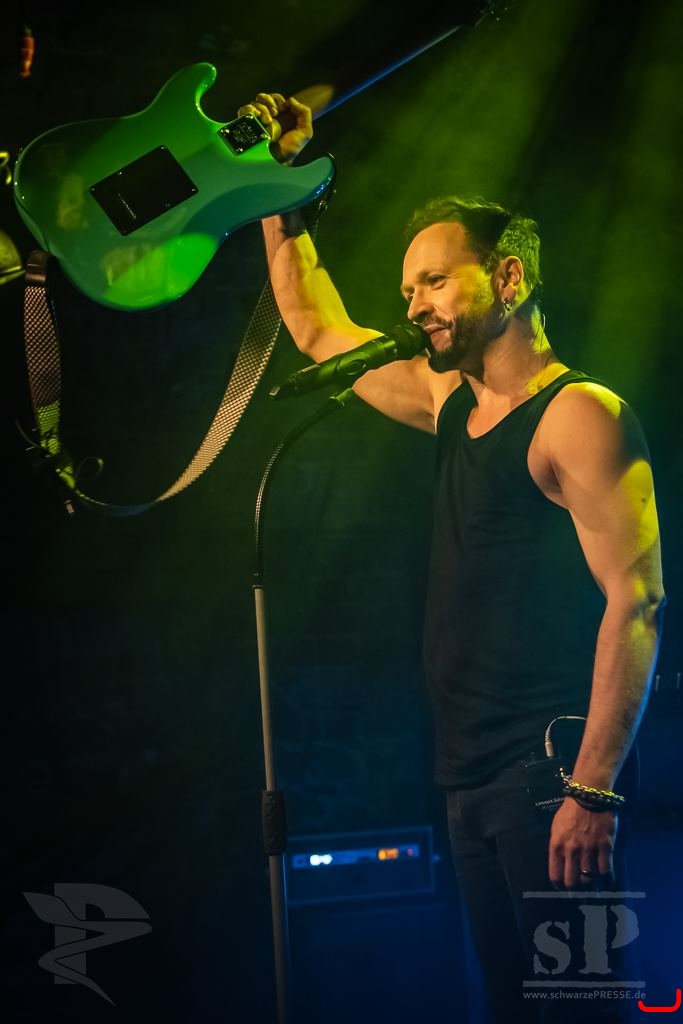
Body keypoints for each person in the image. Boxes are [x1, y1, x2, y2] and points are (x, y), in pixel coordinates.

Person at [238, 92, 666, 1021]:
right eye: (407, 291)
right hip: (468, 779)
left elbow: (636, 602)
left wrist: (592, 790)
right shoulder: (448, 404)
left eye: (432, 282)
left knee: (577, 1007)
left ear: (507, 278)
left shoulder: (578, 415)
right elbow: (317, 329)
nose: (413, 306)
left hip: (549, 776)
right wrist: (280, 192)